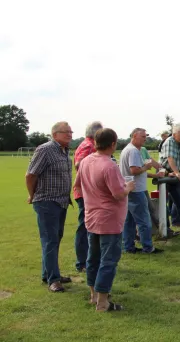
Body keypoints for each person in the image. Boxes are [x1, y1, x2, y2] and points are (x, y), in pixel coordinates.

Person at [74, 128, 134, 311]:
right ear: (113, 143)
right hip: (109, 220)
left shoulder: (85, 161)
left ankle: (94, 295)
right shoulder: (109, 165)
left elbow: (77, 184)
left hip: (92, 217)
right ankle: (102, 302)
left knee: (93, 258)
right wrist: (128, 187)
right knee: (108, 260)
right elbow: (118, 194)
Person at [25, 121, 74, 293]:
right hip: (47, 202)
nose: (69, 135)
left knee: (55, 238)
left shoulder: (64, 151)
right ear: (54, 135)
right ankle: (54, 280)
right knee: (50, 240)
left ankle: (49, 273)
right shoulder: (45, 150)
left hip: (61, 202)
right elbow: (30, 175)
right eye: (65, 132)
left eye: (70, 132)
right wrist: (32, 195)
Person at [119, 128, 163, 254]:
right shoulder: (133, 151)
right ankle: (148, 247)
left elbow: (138, 172)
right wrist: (147, 167)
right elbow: (135, 170)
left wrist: (152, 174)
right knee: (144, 220)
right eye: (143, 136)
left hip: (129, 189)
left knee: (129, 221)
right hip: (136, 190)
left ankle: (128, 246)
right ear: (134, 136)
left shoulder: (127, 149)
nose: (145, 139)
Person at [72, 120, 103, 273]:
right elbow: (79, 164)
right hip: (85, 193)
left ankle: (89, 260)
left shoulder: (89, 145)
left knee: (89, 227)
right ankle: (82, 262)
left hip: (88, 192)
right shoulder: (88, 145)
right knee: (85, 227)